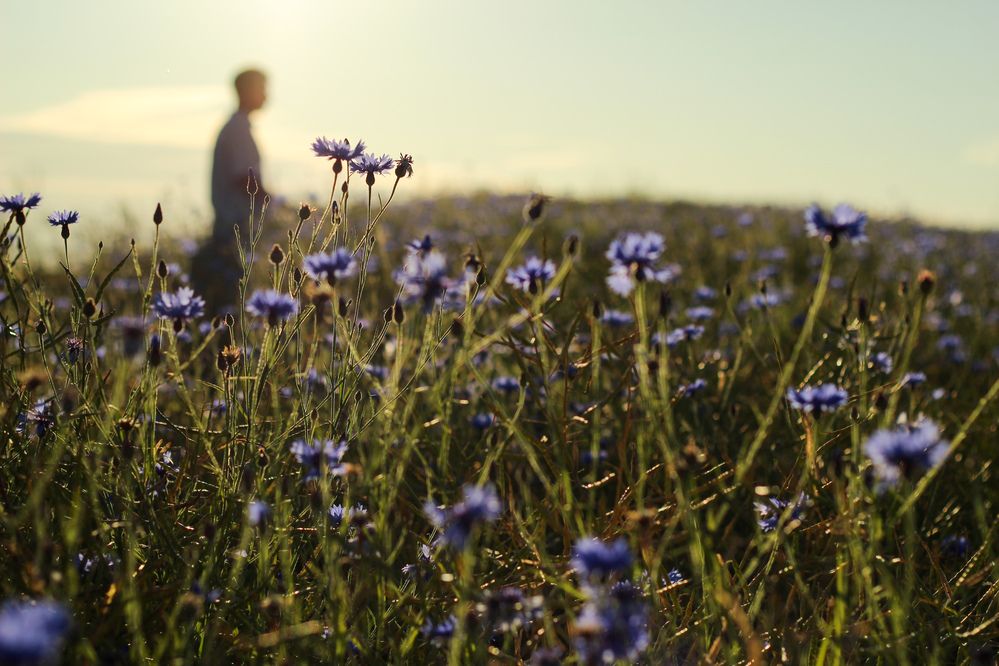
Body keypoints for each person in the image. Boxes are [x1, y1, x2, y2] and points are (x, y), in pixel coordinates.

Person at [191, 68, 269, 312]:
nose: (266, 95)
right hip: (233, 228)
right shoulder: (237, 130)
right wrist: (274, 204)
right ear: (247, 91)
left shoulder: (236, 126)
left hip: (233, 227)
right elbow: (243, 179)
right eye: (262, 88)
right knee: (232, 304)